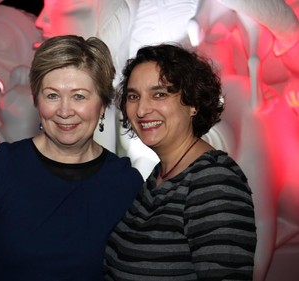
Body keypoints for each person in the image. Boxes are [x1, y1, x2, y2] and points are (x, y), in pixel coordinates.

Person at [0, 35, 143, 281]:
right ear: (37, 100)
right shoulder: (1, 168)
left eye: (79, 96)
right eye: (52, 95)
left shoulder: (125, 184)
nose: (64, 111)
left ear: (102, 105)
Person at [104, 43, 257, 280]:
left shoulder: (213, 182)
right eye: (134, 96)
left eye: (160, 94)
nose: (142, 109)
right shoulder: (158, 177)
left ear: (193, 103)